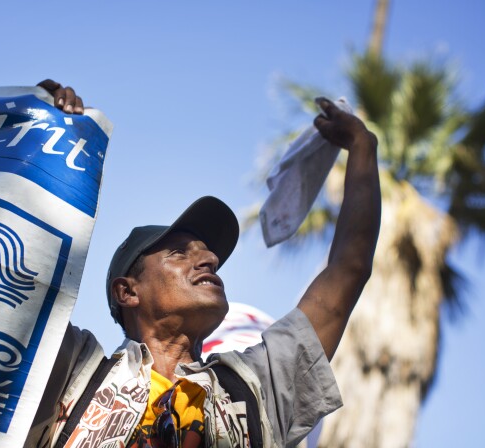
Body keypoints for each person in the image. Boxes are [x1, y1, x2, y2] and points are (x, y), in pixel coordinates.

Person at [26, 80, 381, 448]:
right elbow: (5, 280)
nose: (210, 259)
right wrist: (37, 125)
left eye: (208, 253)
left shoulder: (256, 392)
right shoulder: (70, 371)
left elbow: (349, 269)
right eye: (180, 252)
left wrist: (362, 147)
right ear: (128, 291)